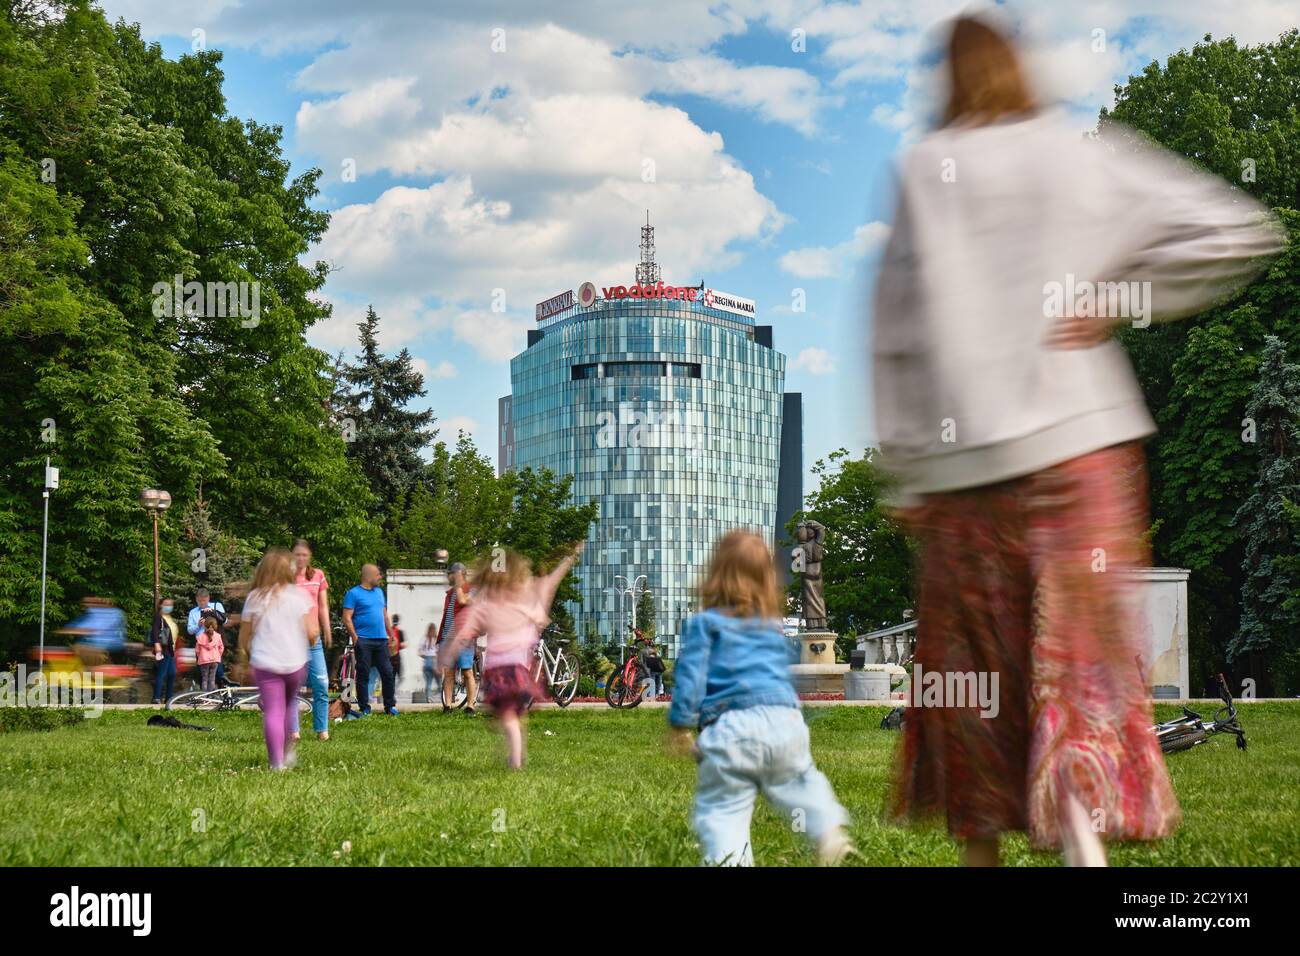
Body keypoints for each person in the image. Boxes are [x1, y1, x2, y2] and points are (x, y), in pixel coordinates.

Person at [871, 15, 1284, 867]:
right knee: (1079, 662)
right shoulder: (1081, 152)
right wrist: (1124, 297)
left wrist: (904, 467)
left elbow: (895, 329)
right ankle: (1082, 841)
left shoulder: (924, 168)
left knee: (975, 677)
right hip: (1084, 445)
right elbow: (1239, 231)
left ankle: (981, 854)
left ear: (945, 78)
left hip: (967, 463)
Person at [667, 530, 852, 867]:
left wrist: (681, 724)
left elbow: (691, 676)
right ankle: (825, 825)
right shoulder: (770, 627)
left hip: (730, 728)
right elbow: (782, 676)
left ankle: (730, 861)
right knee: (802, 781)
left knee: (724, 812)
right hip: (785, 723)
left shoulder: (704, 624)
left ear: (715, 574)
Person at [440, 542, 584, 769]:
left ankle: (515, 760)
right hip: (520, 671)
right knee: (512, 716)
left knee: (507, 716)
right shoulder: (523, 601)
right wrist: (569, 558)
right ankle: (514, 747)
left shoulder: (486, 604)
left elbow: (462, 631)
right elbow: (552, 581)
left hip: (500, 671)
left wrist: (446, 655)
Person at [237, 548, 319, 770]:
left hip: (266, 663)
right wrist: (308, 639)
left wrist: (244, 660)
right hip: (295, 664)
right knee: (288, 704)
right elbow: (312, 633)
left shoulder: (255, 597)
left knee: (273, 710)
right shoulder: (298, 596)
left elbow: (244, 638)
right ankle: (287, 752)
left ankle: (277, 764)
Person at [342, 564, 396, 716]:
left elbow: (385, 615)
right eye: (378, 575)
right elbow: (346, 618)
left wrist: (391, 635)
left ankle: (390, 706)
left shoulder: (379, 592)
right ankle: (364, 707)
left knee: (388, 673)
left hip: (381, 640)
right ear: (368, 576)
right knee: (363, 674)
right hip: (363, 640)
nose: (380, 578)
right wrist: (356, 638)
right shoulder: (353, 593)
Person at [292, 539, 332, 742]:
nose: (301, 558)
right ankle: (293, 732)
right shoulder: (285, 577)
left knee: (321, 685)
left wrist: (327, 629)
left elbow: (323, 606)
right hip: (291, 640)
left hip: (313, 640)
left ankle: (322, 730)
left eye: (304, 555)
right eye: (297, 554)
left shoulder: (318, 576)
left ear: (309, 556)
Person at [437, 562, 474, 714]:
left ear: (462, 575)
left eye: (454, 574)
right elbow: (446, 617)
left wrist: (459, 587)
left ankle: (470, 706)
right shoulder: (449, 594)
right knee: (449, 673)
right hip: (448, 638)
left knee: (467, 672)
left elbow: (463, 602)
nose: (451, 577)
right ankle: (448, 705)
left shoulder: (471, 590)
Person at [60, 597, 126, 669]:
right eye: (86, 603)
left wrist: (80, 630)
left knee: (83, 651)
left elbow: (99, 628)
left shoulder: (113, 613)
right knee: (75, 650)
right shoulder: (91, 613)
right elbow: (75, 625)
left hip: (107, 647)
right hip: (89, 646)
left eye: (91, 603)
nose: (87, 605)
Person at [186, 588, 227, 684]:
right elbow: (190, 631)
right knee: (202, 673)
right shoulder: (193, 612)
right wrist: (198, 625)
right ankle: (204, 695)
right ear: (196, 599)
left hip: (215, 644)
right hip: (202, 645)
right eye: (199, 601)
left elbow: (225, 621)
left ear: (208, 598)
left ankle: (220, 694)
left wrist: (213, 612)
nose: (202, 603)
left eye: (204, 600)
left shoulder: (217, 606)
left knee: (218, 672)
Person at [150, 597, 181, 705]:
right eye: (166, 604)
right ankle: (156, 697)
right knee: (162, 673)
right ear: (160, 605)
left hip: (170, 650)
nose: (169, 606)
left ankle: (168, 698)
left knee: (172, 674)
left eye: (170, 604)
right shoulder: (159, 617)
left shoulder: (169, 618)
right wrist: (156, 644)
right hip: (163, 649)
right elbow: (154, 631)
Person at [195, 611, 224, 691]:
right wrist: (218, 655)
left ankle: (204, 697)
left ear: (204, 625)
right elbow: (221, 648)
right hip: (214, 660)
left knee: (204, 679)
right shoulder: (218, 636)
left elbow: (197, 650)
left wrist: (200, 656)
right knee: (212, 679)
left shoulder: (200, 637)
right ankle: (210, 698)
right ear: (215, 626)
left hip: (204, 661)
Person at [418, 622, 440, 704]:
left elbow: (419, 652)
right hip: (435, 661)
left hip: (427, 661)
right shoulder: (437, 639)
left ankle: (429, 699)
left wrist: (426, 656)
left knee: (429, 682)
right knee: (439, 682)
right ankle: (444, 698)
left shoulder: (424, 638)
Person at [389, 614, 406, 686]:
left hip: (388, 656)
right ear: (398, 621)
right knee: (400, 676)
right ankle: (393, 691)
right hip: (396, 656)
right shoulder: (400, 631)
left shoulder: (389, 630)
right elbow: (402, 645)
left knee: (391, 676)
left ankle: (391, 691)